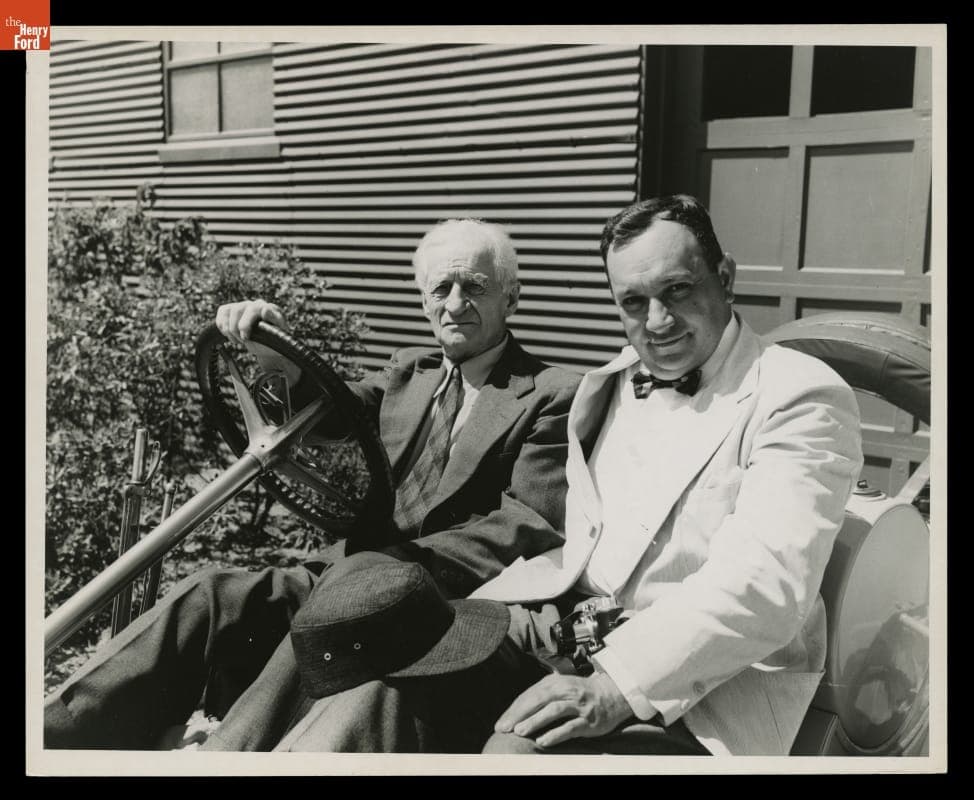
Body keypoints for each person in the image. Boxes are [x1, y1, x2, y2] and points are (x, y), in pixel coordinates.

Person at [269, 195, 863, 757]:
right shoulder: (613, 382)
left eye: (678, 291)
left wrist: (614, 686)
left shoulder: (797, 394)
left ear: (725, 277)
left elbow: (765, 586)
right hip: (559, 630)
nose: (657, 322)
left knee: (517, 751)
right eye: (633, 302)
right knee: (391, 669)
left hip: (692, 684)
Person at [44, 218, 580, 750]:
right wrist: (276, 359)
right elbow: (326, 418)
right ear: (423, 300)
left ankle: (229, 753)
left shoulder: (549, 394)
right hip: (346, 571)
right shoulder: (407, 374)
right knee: (211, 596)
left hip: (443, 603)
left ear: (511, 297)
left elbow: (526, 524)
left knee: (326, 625)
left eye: (476, 286)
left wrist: (388, 568)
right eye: (441, 287)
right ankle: (53, 733)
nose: (456, 302)